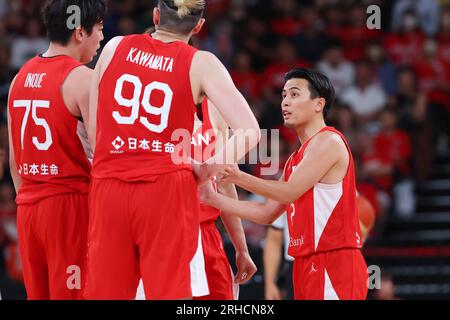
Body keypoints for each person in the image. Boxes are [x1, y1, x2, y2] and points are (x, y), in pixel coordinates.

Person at [85, 0, 260, 300]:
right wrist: (206, 169)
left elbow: (93, 128)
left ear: (155, 15)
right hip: (165, 190)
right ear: (198, 26)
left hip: (109, 184)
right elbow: (250, 131)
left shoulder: (113, 47)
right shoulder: (201, 62)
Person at [202, 68, 368, 300]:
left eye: (294, 95)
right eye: (283, 96)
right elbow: (266, 213)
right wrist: (211, 198)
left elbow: (289, 192)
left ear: (318, 104)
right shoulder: (294, 160)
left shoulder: (329, 141)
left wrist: (239, 177)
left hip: (334, 260)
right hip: (303, 263)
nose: (285, 102)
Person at [7, 0, 105, 299]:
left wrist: (32, 199)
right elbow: (104, 157)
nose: (101, 38)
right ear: (79, 32)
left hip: (28, 208)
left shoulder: (19, 77)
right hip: (70, 207)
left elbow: (14, 161)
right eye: (99, 29)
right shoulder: (83, 79)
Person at [135, 99, 257, 300]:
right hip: (164, 233)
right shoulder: (151, 107)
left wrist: (241, 249)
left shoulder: (214, 111)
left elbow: (225, 183)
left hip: (206, 231)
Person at [263, 212, 294, 300]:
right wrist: (269, 284)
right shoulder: (282, 199)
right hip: (294, 265)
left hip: (331, 259)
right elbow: (273, 239)